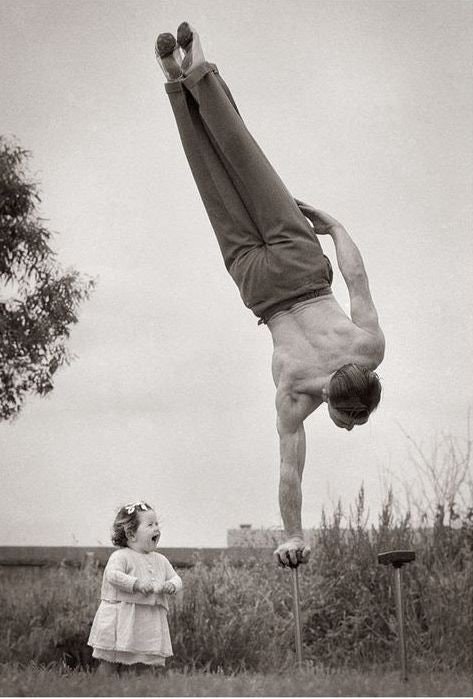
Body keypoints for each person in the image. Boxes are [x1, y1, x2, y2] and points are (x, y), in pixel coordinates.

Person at [155, 24, 385, 569]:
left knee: (243, 158)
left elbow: (355, 277)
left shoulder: (370, 349)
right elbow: (290, 471)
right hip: (260, 285)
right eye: (352, 422)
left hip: (303, 266)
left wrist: (335, 226)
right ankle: (174, 80)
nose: (349, 429)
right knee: (211, 178)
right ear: (333, 402)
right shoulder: (295, 397)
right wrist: (292, 534)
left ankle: (197, 66)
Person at [88, 501, 182, 673]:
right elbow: (113, 575)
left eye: (157, 524)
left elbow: (177, 578)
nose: (156, 528)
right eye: (150, 525)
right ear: (131, 534)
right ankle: (102, 687)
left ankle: (138, 689)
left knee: (145, 659)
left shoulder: (160, 560)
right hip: (122, 617)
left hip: (147, 619)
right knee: (111, 658)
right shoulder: (121, 556)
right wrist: (136, 584)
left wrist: (171, 585)